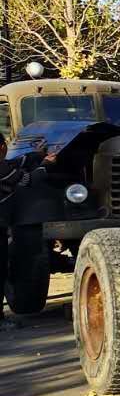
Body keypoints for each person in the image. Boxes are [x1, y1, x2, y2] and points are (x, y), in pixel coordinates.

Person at [0, 135, 46, 327]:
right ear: (2, 147)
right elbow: (28, 179)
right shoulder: (3, 169)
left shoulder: (4, 166)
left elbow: (17, 162)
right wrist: (47, 164)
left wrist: (36, 154)